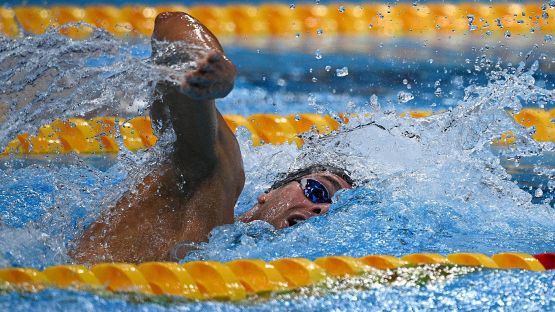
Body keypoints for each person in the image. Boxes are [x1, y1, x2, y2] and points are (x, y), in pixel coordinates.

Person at [70, 12, 353, 264]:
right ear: (268, 194)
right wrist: (210, 66)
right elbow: (171, 24)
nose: (321, 208)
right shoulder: (213, 185)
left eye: (332, 210)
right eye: (318, 191)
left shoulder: (233, 260)